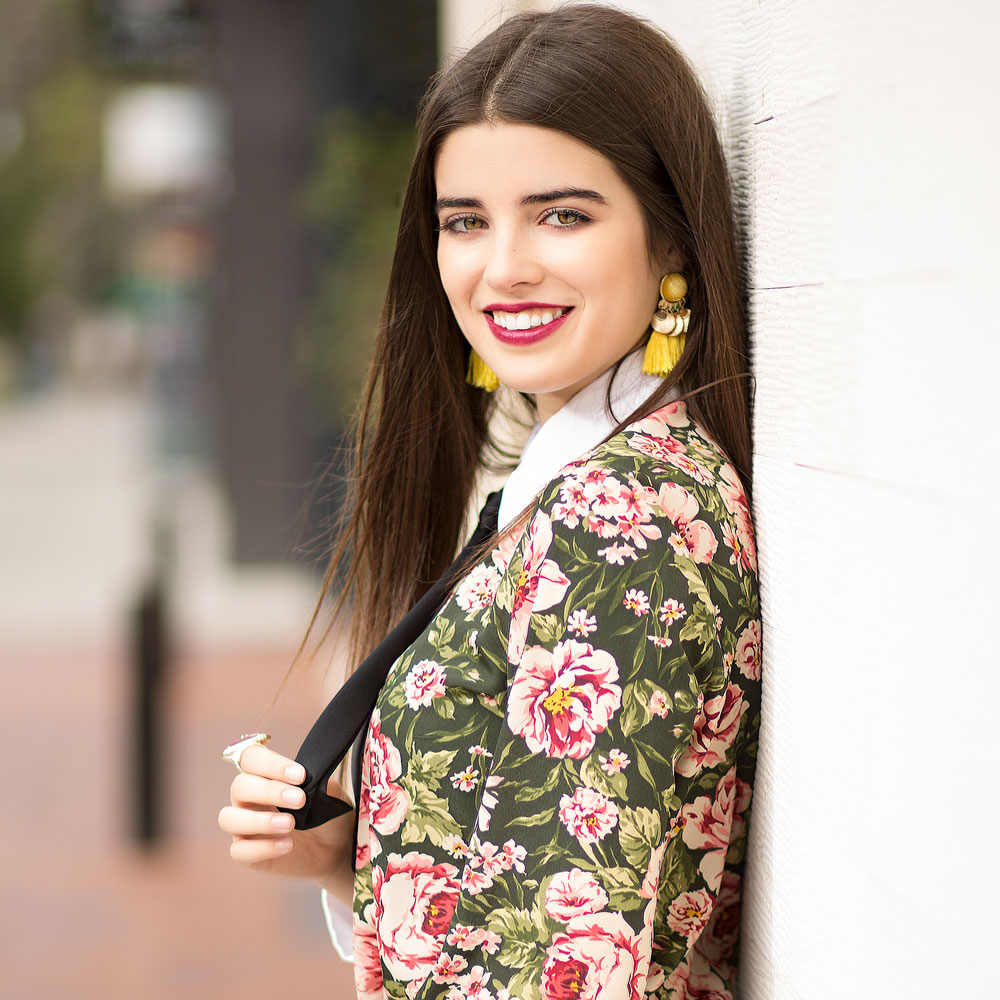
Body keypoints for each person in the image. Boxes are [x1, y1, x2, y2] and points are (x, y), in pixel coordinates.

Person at [218, 5, 761, 999]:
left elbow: (569, 971)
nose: (501, 266)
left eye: (563, 214)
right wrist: (348, 852)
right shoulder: (574, 478)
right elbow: (519, 894)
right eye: (465, 221)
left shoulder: (623, 521)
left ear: (670, 240)